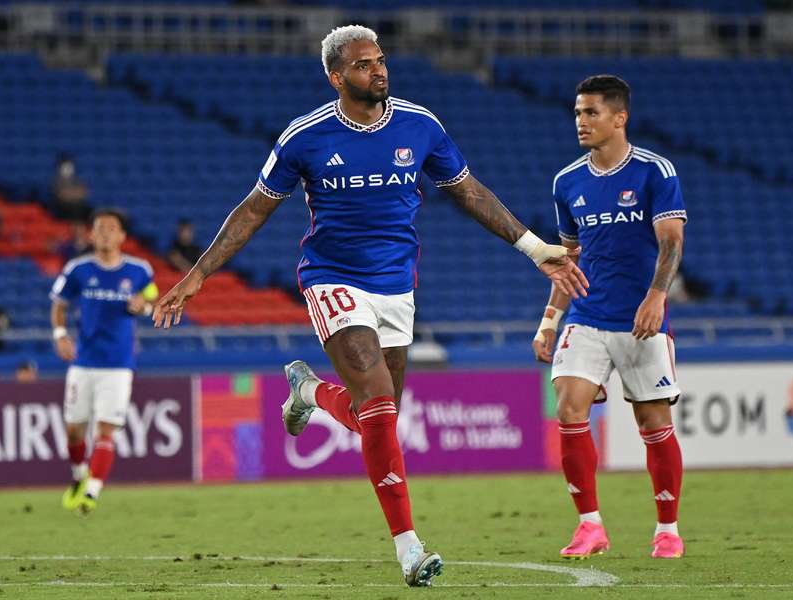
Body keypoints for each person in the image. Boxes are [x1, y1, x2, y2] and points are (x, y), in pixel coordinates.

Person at [152, 25, 588, 587]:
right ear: (336, 76)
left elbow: (468, 190)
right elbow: (255, 209)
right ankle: (410, 548)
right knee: (379, 400)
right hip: (332, 278)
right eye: (363, 65)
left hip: (396, 286)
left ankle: (307, 390)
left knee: (372, 418)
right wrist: (199, 274)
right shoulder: (304, 137)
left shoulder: (420, 124)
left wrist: (533, 249)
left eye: (380, 61)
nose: (378, 70)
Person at [532, 75, 687, 560]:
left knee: (652, 422)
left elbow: (671, 240)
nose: (581, 121)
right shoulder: (567, 181)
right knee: (569, 406)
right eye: (578, 112)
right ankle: (590, 526)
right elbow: (568, 259)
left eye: (591, 112)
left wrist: (657, 297)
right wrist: (550, 320)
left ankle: (667, 529)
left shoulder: (654, 172)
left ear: (619, 118)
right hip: (588, 316)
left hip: (641, 320)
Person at [50, 208, 158, 514]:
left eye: (112, 228)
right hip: (83, 362)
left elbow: (153, 300)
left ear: (123, 236)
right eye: (100, 228)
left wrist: (145, 306)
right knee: (74, 430)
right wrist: (60, 334)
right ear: (91, 235)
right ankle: (78, 477)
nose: (106, 233)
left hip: (119, 365)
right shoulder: (78, 270)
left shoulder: (139, 270)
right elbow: (59, 303)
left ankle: (92, 493)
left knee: (106, 429)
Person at [51, 153, 91, 222]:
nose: (67, 168)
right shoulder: (56, 181)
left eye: (69, 165)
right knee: (74, 209)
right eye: (65, 165)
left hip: (78, 206)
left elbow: (84, 193)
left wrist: (70, 194)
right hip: (62, 209)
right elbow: (62, 196)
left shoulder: (77, 180)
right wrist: (74, 193)